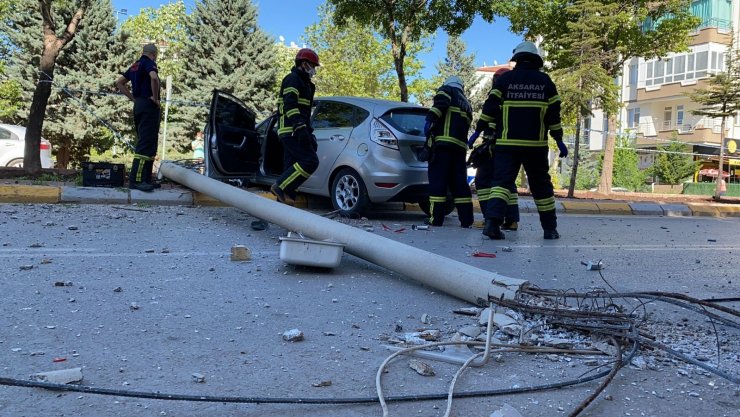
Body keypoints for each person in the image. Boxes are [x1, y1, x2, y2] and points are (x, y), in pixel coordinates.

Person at [472, 41, 568, 240]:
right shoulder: (545, 82)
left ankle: (492, 224)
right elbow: (554, 116)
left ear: (517, 58)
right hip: (536, 146)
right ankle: (550, 229)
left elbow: (490, 108)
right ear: (536, 59)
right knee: (541, 187)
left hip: (507, 145)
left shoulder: (505, 81)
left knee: (501, 184)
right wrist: (558, 140)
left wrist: (477, 131)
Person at [468, 67, 520, 231]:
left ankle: (489, 219)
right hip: (510, 146)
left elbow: (487, 115)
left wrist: (476, 133)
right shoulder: (516, 98)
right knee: (507, 182)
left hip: (493, 145)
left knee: (483, 181)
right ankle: (511, 220)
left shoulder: (496, 95)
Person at [270, 48, 320, 205]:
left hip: (296, 129)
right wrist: (300, 128)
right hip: (291, 130)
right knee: (310, 161)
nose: (314, 70)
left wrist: (308, 131)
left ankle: (285, 208)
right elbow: (290, 105)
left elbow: (305, 112)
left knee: (290, 168)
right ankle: (280, 186)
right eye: (313, 66)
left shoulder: (307, 85)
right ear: (304, 64)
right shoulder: (292, 79)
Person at [423, 75, 474, 227]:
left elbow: (439, 106)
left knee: (438, 182)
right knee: (459, 184)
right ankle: (466, 220)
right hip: (459, 149)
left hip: (443, 145)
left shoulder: (447, 90)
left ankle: (436, 219)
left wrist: (429, 122)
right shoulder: (466, 103)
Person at [115, 43, 161, 192]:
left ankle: (146, 178)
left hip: (139, 105)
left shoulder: (135, 65)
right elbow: (154, 78)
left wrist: (133, 99)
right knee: (146, 143)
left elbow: (119, 83)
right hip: (148, 105)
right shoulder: (149, 63)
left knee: (148, 142)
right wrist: (155, 98)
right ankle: (137, 180)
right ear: (153, 54)